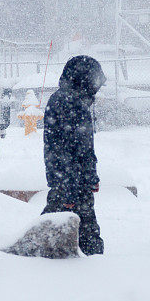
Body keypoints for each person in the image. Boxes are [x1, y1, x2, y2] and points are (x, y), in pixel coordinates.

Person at [42, 55, 107, 255]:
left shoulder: (76, 100)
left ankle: (91, 269)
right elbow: (60, 151)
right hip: (69, 183)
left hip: (76, 183)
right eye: (95, 81)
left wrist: (91, 176)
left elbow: (84, 148)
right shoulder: (67, 102)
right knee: (61, 230)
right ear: (83, 79)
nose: (97, 88)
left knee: (79, 231)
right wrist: (68, 189)